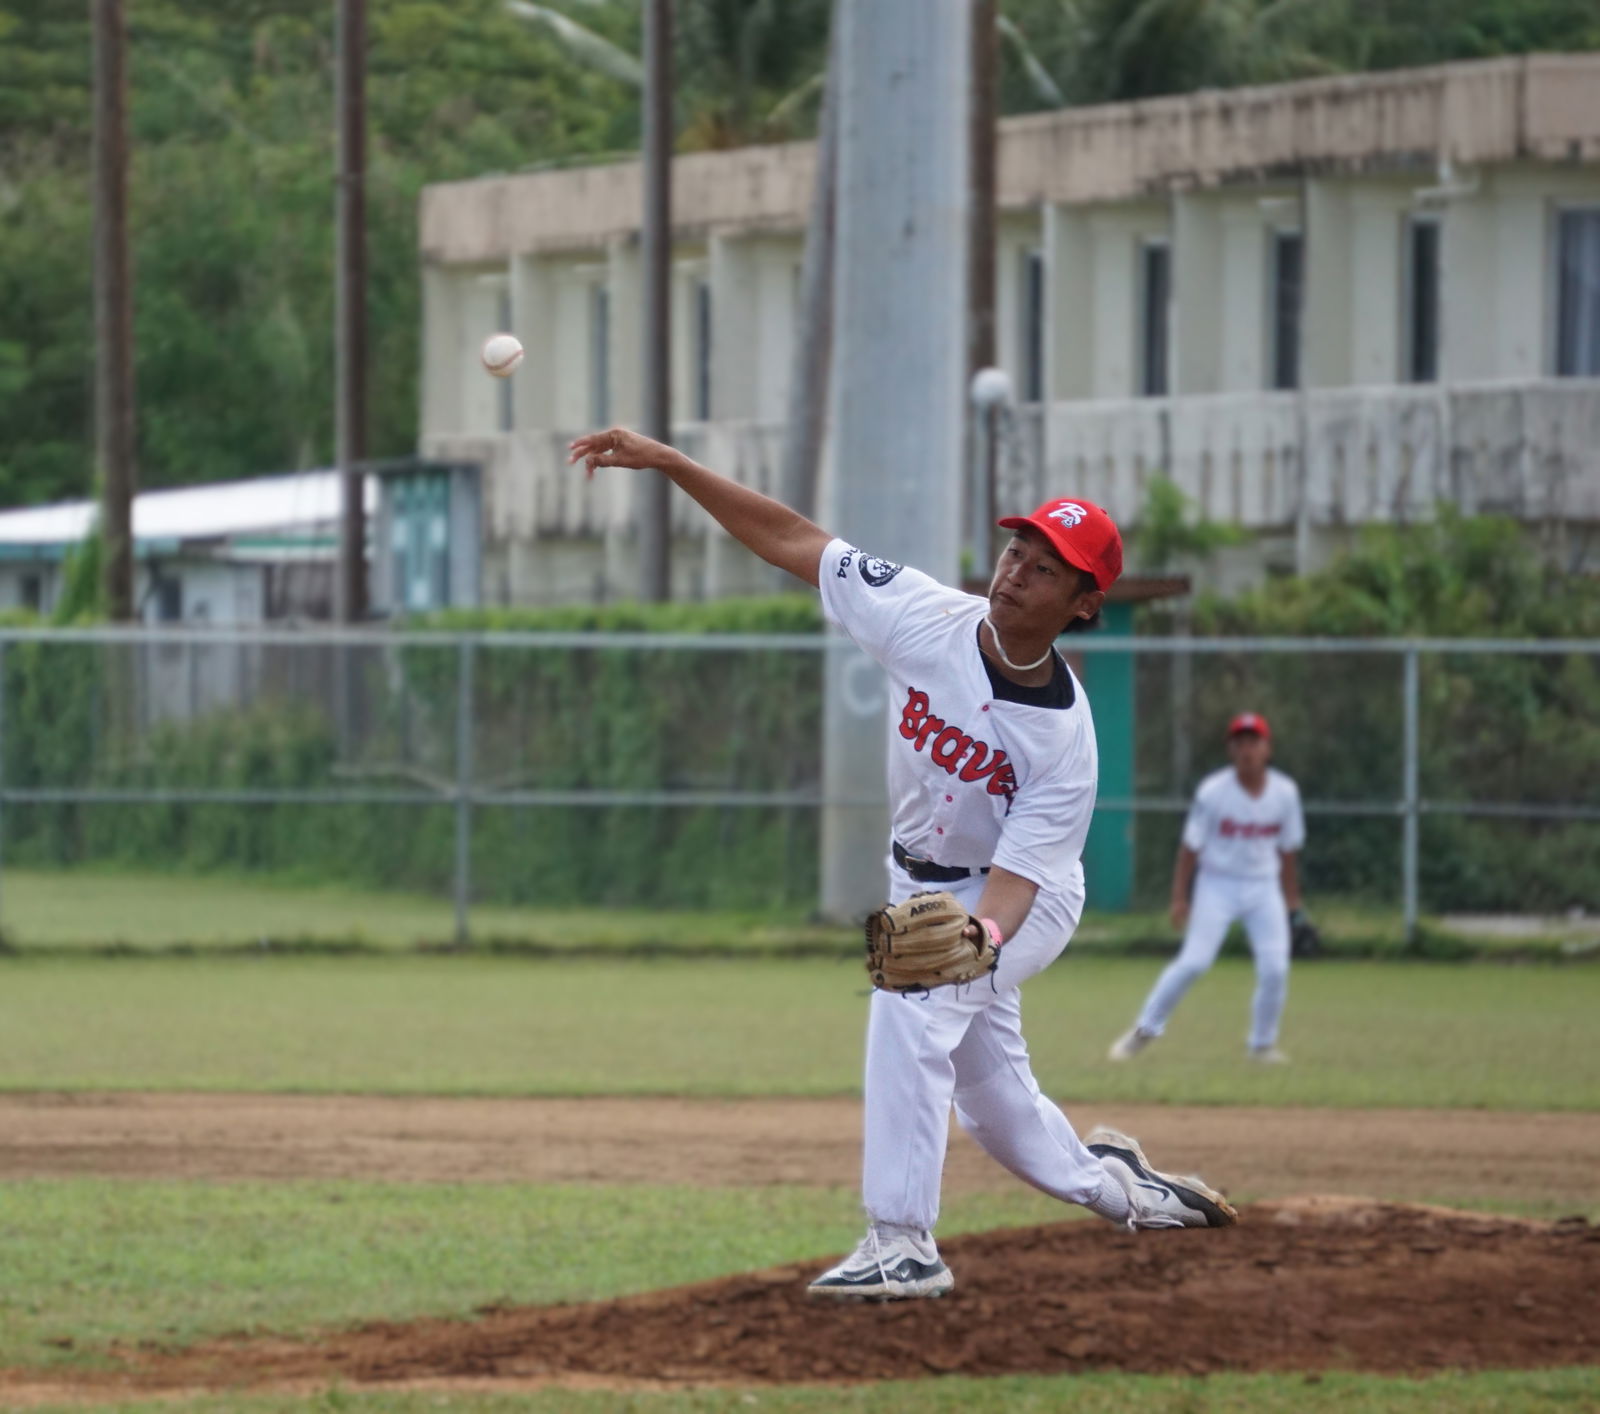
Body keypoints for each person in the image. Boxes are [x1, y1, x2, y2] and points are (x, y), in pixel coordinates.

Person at [568, 426, 1237, 1303]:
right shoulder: (925, 616)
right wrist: (673, 464)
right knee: (995, 1109)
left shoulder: (1065, 741)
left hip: (1021, 898)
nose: (1014, 571)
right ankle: (1123, 1191)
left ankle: (902, 1240)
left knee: (913, 983)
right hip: (917, 876)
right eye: (1015, 549)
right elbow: (796, 541)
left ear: (1082, 602)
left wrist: (970, 943)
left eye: (1045, 567)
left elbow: (1018, 886)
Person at [1109, 712, 1305, 1065]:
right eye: (1240, 742)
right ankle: (1144, 1030)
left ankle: (1262, 1046)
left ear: (1267, 749)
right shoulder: (1214, 792)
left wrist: (1292, 899)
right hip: (1218, 883)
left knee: (1275, 967)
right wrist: (1179, 897)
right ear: (1231, 749)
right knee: (1195, 961)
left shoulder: (1284, 793)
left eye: (1254, 742)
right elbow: (1190, 848)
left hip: (1263, 886)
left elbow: (1288, 850)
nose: (1247, 749)